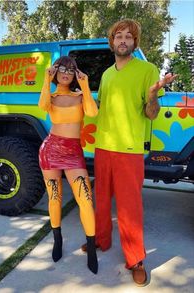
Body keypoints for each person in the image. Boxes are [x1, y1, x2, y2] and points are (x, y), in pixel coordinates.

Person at [81, 19, 177, 285]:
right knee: (101, 198)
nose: (123, 40)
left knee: (129, 207)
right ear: (112, 42)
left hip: (129, 149)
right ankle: (101, 240)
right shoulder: (107, 74)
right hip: (103, 146)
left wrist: (154, 94)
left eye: (128, 37)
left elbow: (151, 113)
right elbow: (100, 108)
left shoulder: (147, 70)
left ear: (135, 42)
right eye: (118, 36)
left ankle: (135, 259)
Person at [38, 56, 98, 274]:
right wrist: (46, 80)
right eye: (61, 68)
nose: (65, 72)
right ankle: (57, 239)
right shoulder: (51, 96)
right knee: (54, 198)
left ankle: (91, 248)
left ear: (75, 74)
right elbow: (42, 106)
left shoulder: (81, 96)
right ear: (55, 72)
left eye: (70, 70)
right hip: (50, 150)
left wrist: (85, 85)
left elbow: (92, 113)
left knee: (85, 199)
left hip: (73, 152)